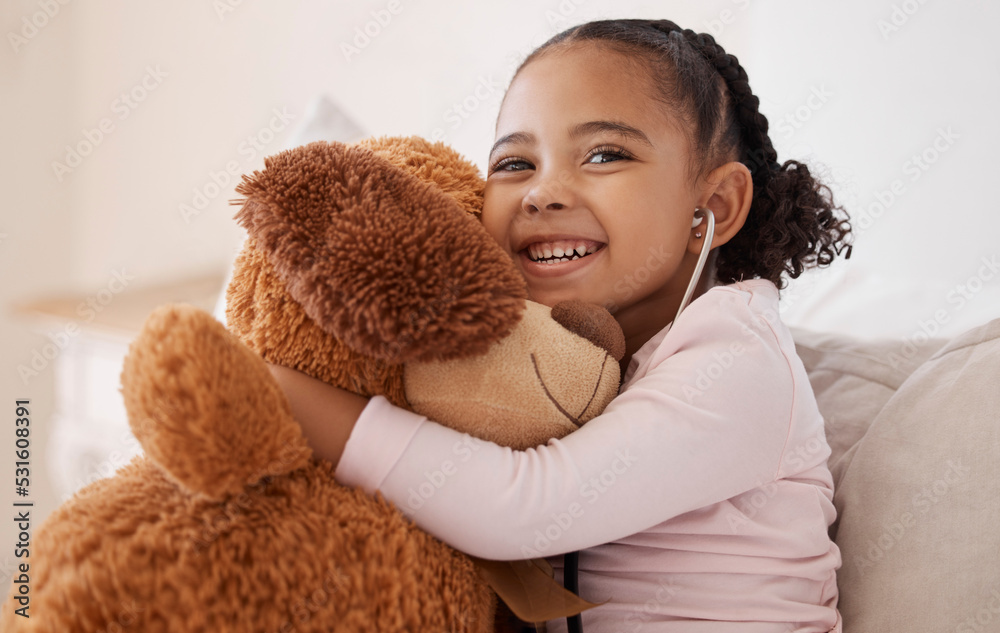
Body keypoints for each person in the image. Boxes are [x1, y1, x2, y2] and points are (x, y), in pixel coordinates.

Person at [268, 18, 853, 633]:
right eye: (514, 163)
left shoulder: (738, 355)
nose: (541, 193)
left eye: (604, 154)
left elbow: (525, 509)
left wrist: (279, 391)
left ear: (715, 206)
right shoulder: (545, 359)